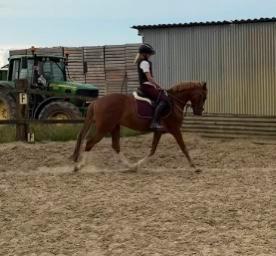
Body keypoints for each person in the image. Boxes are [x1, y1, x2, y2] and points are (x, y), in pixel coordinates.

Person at [135, 43, 169, 130]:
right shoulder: (144, 63)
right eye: (149, 53)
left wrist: (156, 87)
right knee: (164, 100)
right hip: (146, 86)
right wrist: (158, 86)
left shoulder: (143, 62)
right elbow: (149, 78)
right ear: (144, 53)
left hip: (147, 85)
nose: (150, 55)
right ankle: (154, 122)